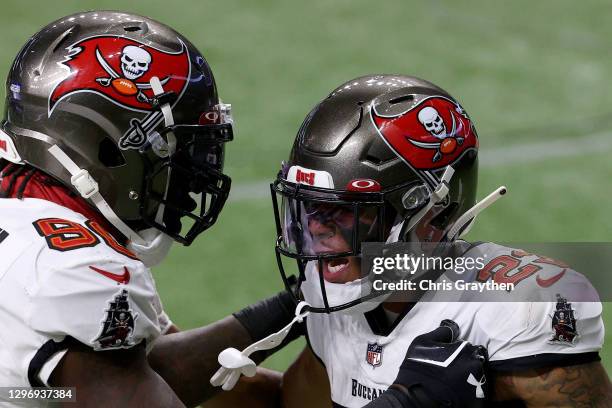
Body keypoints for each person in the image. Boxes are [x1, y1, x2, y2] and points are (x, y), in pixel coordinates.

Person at [0, 11, 304, 407]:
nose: (194, 179)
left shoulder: (32, 220)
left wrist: (299, 305)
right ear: (107, 146)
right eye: (176, 152)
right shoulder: (72, 270)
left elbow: (154, 372)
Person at [264, 75, 610, 407]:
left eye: (345, 211)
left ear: (435, 214)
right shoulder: (336, 304)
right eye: (308, 206)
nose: (316, 227)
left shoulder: (515, 310)